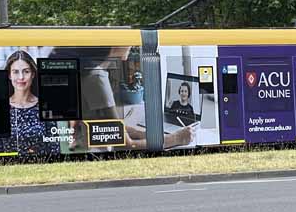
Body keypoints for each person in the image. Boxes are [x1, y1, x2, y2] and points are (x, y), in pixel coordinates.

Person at [54, 47, 195, 151]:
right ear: (116, 46)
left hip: (84, 143)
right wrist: (176, 138)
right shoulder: (96, 77)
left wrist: (143, 134)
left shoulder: (86, 71)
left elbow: (106, 125)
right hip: (91, 150)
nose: (132, 45)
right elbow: (124, 144)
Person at [0, 50, 60, 156]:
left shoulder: (45, 106)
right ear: (9, 75)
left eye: (26, 71)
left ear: (33, 74)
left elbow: (54, 148)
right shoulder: (0, 109)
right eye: (15, 72)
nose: (21, 77)